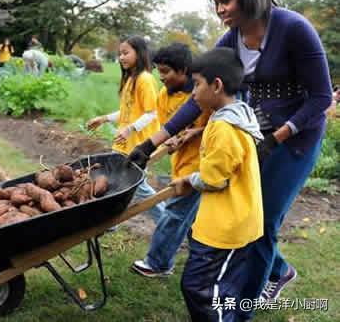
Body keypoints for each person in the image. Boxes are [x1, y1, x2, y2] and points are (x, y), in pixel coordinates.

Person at [128, 0, 332, 312]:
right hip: (257, 136)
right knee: (243, 214)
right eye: (216, 2)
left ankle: (242, 308)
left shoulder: (293, 28)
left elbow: (321, 98)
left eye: (225, 1)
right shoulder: (231, 38)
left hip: (296, 140)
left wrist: (278, 137)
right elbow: (199, 98)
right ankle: (279, 270)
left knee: (263, 220)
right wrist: (150, 143)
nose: (219, 9)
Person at [175, 47, 264, 321]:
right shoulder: (236, 116)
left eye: (197, 84)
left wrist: (189, 179)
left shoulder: (225, 128)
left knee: (199, 288)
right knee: (224, 289)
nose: (193, 92)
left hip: (225, 229)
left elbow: (214, 180)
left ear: (216, 85)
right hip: (234, 221)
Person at [131, 43, 211, 277]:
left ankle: (158, 262)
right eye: (158, 70)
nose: (161, 76)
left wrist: (195, 132)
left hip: (200, 164)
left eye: (166, 71)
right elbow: (169, 128)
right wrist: (171, 141)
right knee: (192, 219)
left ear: (184, 70)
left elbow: (220, 126)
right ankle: (205, 260)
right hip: (181, 162)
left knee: (175, 212)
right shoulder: (164, 96)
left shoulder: (202, 94)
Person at [86, 35, 163, 223]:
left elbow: (151, 113)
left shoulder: (145, 80)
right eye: (120, 53)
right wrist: (104, 119)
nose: (121, 57)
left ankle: (167, 222)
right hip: (123, 144)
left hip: (137, 145)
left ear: (140, 53)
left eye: (126, 53)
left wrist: (130, 130)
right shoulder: (130, 79)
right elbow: (127, 112)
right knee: (122, 184)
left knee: (138, 188)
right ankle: (110, 220)